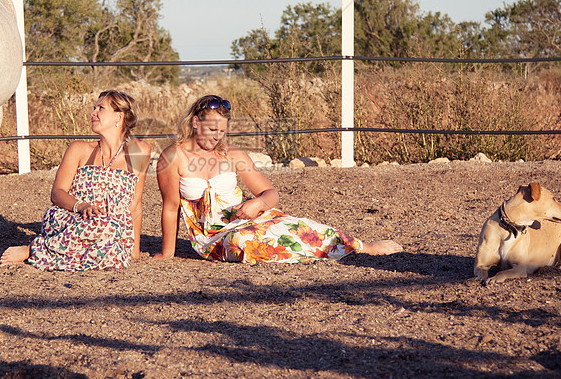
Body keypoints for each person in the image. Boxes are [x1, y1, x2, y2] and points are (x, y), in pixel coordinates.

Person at [155, 94, 402, 263]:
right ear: (196, 122)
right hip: (214, 237)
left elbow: (271, 194)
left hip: (253, 220)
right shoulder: (173, 156)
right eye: (211, 130)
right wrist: (168, 254)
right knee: (244, 241)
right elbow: (171, 207)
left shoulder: (234, 155)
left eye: (221, 131)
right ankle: (323, 252)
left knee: (303, 227)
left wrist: (257, 204)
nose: (217, 137)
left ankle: (363, 247)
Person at [0, 90, 151, 270]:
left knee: (115, 255)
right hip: (71, 218)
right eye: (94, 108)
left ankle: (49, 253)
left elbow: (135, 204)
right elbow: (57, 193)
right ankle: (34, 250)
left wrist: (135, 249)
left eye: (100, 108)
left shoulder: (139, 152)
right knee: (105, 228)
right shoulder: (79, 148)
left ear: (119, 116)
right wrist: (82, 206)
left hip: (111, 228)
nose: (92, 113)